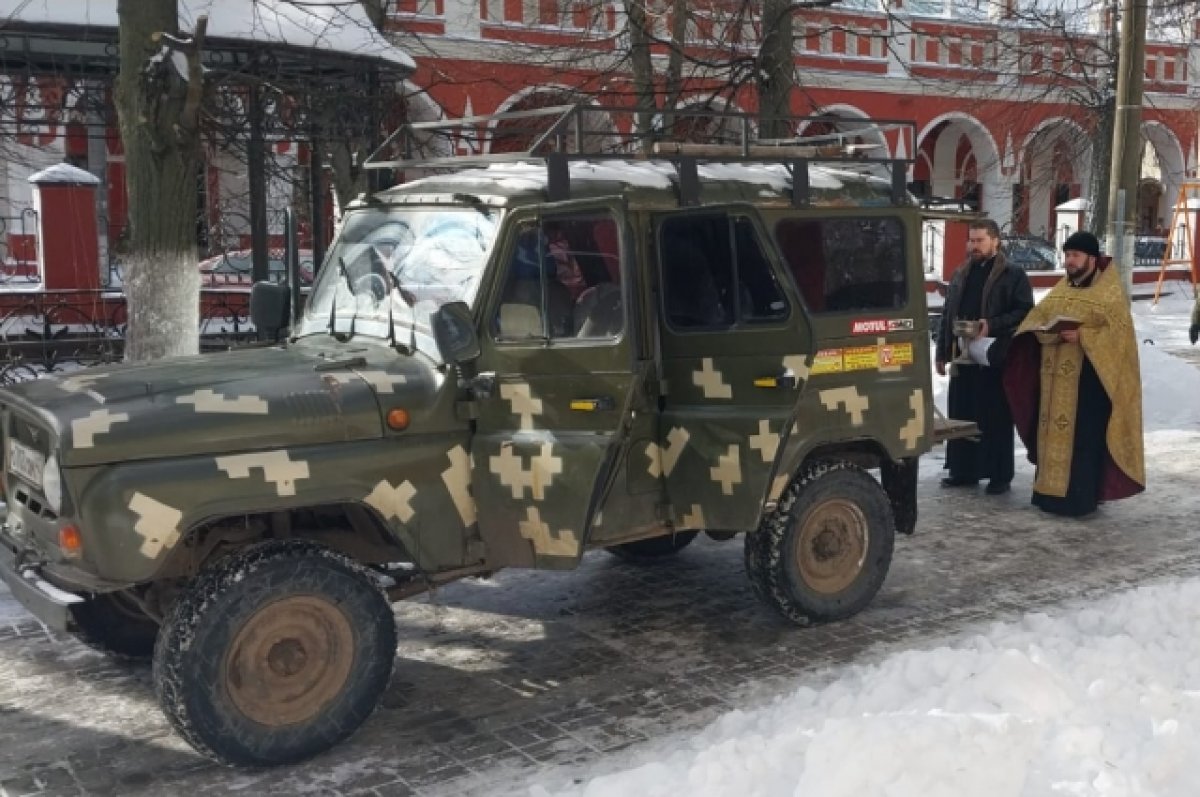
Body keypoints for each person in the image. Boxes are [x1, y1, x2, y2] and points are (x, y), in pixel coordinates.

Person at [1002, 231, 1145, 517]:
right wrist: (1042, 331)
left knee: (1082, 442)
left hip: (1089, 384)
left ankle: (1079, 500)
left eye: (1075, 256)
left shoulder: (1109, 292)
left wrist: (1083, 336)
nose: (1069, 261)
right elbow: (1037, 317)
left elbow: (1120, 336)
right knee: (1049, 436)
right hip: (1052, 379)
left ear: (1091, 259)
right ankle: (1047, 496)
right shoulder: (1063, 288)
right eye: (1067, 256)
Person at [935, 219, 1034, 495]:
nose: (973, 245)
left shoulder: (1013, 275)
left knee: (994, 416)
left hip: (994, 356)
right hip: (962, 355)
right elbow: (947, 314)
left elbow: (1025, 311)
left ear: (995, 241)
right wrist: (942, 352)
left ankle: (999, 474)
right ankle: (963, 470)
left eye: (979, 240)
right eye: (971, 240)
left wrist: (991, 324)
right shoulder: (961, 273)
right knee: (962, 412)